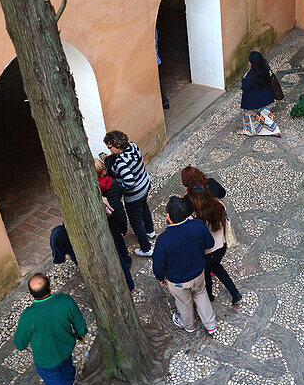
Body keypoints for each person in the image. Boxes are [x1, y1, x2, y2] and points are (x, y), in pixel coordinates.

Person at [12, 274, 87, 385]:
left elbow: (19, 344)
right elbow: (79, 323)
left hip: (46, 361)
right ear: (50, 287)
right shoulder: (65, 301)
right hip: (65, 347)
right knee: (66, 363)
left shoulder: (28, 316)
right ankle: (69, 380)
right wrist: (81, 334)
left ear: (31, 293)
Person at [152, 196, 217, 335]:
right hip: (198, 273)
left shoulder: (163, 239)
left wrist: (160, 278)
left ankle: (188, 325)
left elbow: (158, 264)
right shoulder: (198, 225)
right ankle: (211, 325)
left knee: (184, 303)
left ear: (168, 216)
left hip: (177, 280)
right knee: (201, 294)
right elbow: (210, 244)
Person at [103, 130, 156, 257]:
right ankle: (150, 231)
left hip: (135, 194)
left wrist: (121, 189)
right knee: (144, 207)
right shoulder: (132, 145)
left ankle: (146, 248)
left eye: (110, 147)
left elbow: (129, 181)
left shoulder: (120, 162)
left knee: (135, 220)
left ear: (117, 146)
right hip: (145, 183)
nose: (109, 150)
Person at [188, 183, 242, 305]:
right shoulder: (220, 205)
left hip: (207, 252)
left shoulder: (196, 218)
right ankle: (235, 293)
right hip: (221, 247)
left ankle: (209, 296)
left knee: (206, 274)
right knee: (218, 268)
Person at [95, 157, 134, 291]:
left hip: (107, 223)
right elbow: (119, 207)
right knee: (119, 241)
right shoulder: (113, 182)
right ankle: (126, 260)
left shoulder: (94, 190)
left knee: (114, 244)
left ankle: (121, 263)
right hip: (117, 221)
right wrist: (124, 227)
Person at [238, 51, 281, 137]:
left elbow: (245, 86)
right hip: (265, 98)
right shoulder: (264, 69)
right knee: (265, 116)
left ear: (251, 62)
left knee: (249, 116)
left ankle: (250, 131)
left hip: (253, 101)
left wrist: (244, 78)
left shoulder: (250, 75)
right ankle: (275, 130)